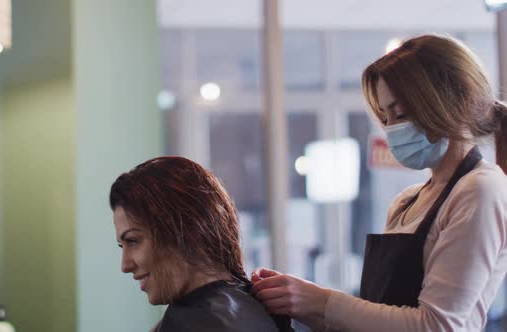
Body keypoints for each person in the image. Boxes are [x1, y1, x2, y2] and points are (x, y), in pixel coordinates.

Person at [252, 34, 507, 331]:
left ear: (449, 102)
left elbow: (437, 326)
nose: (393, 130)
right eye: (385, 119)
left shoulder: (481, 190)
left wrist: (322, 301)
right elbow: (377, 319)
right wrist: (300, 303)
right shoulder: (407, 202)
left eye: (400, 113)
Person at [109, 156, 293, 332]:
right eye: (121, 246)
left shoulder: (189, 323)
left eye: (133, 241)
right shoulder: (258, 308)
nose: (125, 265)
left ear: (184, 229)